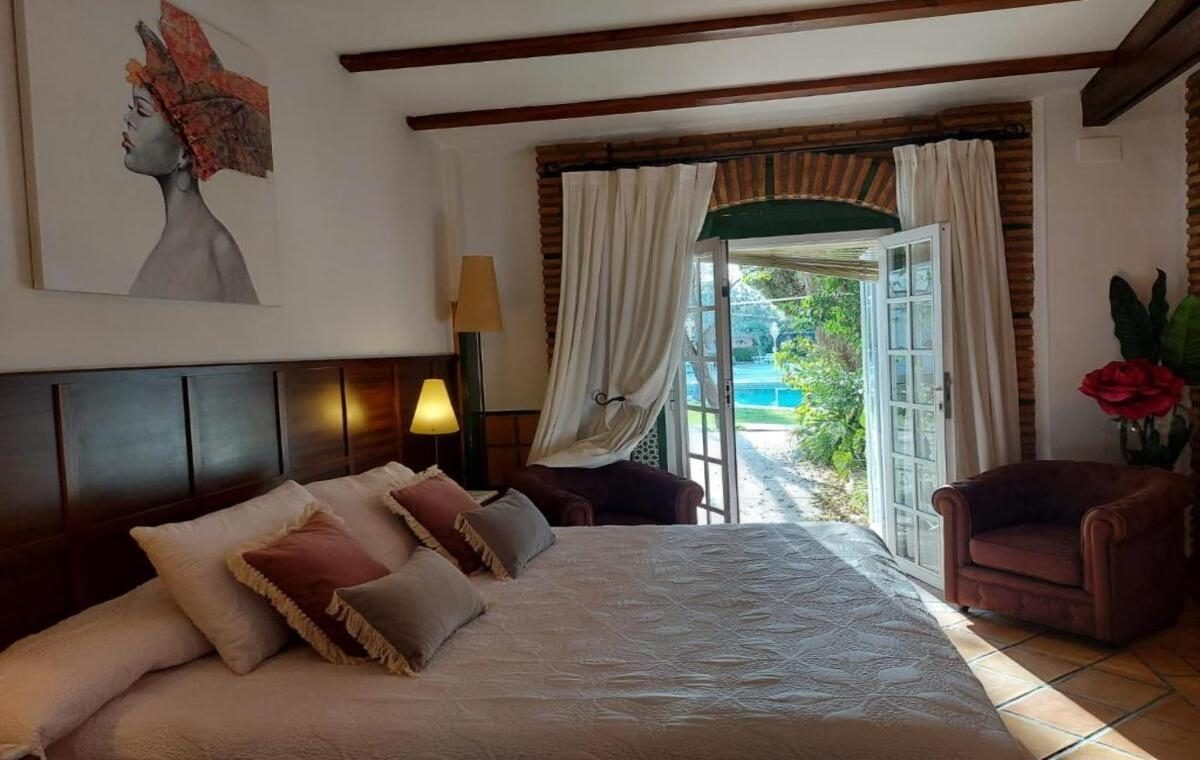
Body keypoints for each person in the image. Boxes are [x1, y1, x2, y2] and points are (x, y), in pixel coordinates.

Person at [122, 1, 272, 304]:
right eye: (131, 108)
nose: (128, 119)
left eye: (142, 110)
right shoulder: (194, 240)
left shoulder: (210, 249)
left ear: (186, 153)